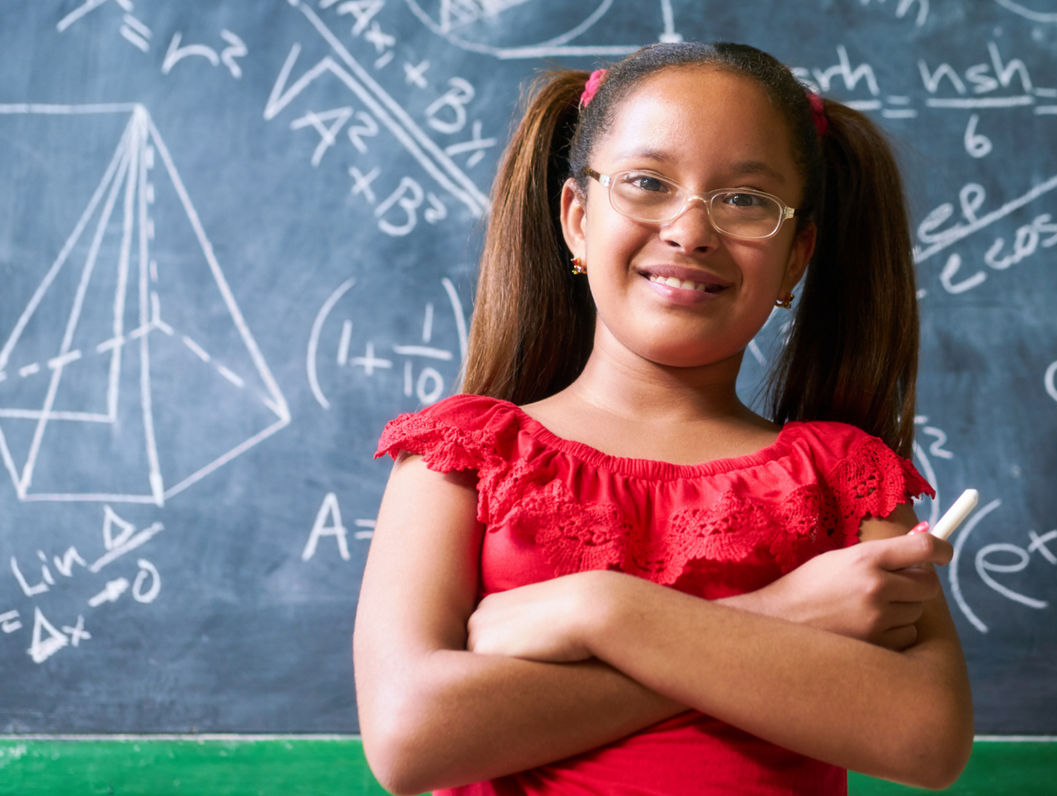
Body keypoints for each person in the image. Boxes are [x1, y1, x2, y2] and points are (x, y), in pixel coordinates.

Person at [352, 41, 973, 794]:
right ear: (577, 220)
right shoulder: (464, 457)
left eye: (747, 200)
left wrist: (597, 611)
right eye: (647, 183)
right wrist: (782, 615)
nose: (691, 230)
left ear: (796, 255)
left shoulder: (846, 477)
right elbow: (410, 740)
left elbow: (925, 739)